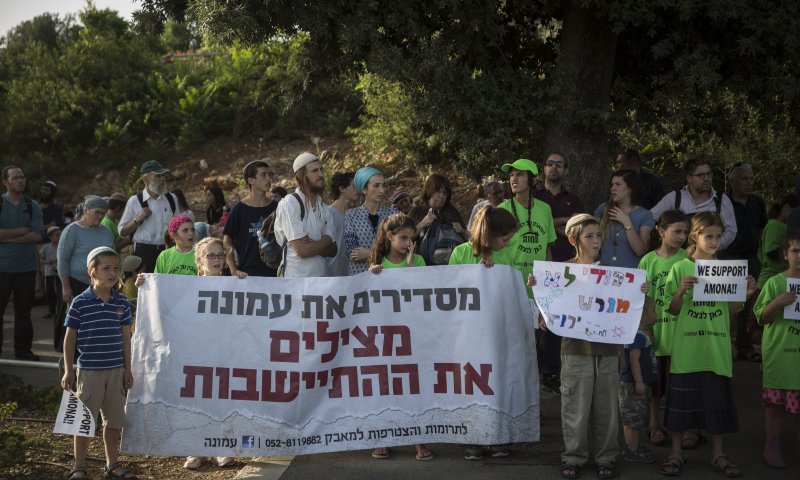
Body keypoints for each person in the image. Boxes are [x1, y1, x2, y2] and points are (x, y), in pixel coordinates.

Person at [527, 214, 644, 480]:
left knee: (606, 408)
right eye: (589, 236)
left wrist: (640, 291)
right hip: (575, 350)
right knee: (574, 407)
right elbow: (545, 317)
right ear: (573, 239)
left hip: (608, 351)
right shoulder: (561, 273)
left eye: (598, 236)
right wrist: (540, 292)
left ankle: (606, 457)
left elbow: (636, 310)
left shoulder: (615, 275)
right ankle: (574, 456)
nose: (595, 241)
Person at [660, 212, 755, 477]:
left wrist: (744, 295)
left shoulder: (726, 270)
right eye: (708, 236)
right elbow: (673, 309)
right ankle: (676, 453)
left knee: (716, 403)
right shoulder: (681, 267)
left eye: (718, 236)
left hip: (716, 350)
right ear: (695, 236)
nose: (714, 241)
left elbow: (733, 311)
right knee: (681, 403)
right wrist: (680, 291)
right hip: (687, 351)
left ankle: (718, 454)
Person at [60, 246, 137, 480]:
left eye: (116, 269)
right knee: (83, 421)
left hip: (116, 372)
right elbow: (70, 337)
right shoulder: (80, 302)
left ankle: (112, 464)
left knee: (114, 422)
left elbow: (126, 337)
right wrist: (68, 370)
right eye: (106, 268)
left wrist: (128, 368)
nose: (112, 273)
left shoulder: (122, 302)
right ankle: (79, 466)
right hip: (89, 371)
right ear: (91, 271)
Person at [448, 205, 517, 461]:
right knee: (470, 385)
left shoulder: (506, 255)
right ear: (488, 235)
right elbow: (451, 292)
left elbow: (511, 290)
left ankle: (498, 435)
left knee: (497, 383)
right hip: (467, 335)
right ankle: (472, 437)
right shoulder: (460, 253)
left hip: (497, 333)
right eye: (505, 238)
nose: (508, 243)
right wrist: (477, 275)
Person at [366, 213, 432, 461]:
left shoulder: (420, 261)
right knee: (386, 388)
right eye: (403, 238)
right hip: (386, 337)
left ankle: (418, 440)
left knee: (413, 388)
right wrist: (372, 275)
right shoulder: (377, 263)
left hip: (413, 334)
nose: (408, 243)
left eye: (411, 239)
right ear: (390, 236)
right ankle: (383, 438)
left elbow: (426, 296)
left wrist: (412, 267)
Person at [533, 152, 586, 394]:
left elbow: (576, 229)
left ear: (566, 171)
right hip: (536, 265)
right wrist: (561, 223)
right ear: (543, 169)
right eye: (550, 163)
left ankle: (551, 373)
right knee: (535, 321)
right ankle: (533, 372)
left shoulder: (573, 199)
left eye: (559, 165)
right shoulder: (533, 197)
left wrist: (551, 222)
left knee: (556, 321)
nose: (554, 168)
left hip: (566, 265)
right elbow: (562, 226)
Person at [636, 210, 689, 448]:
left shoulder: (688, 259)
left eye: (685, 232)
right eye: (677, 231)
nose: (682, 236)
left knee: (681, 385)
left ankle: (685, 426)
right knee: (656, 386)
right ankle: (654, 423)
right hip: (657, 333)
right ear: (661, 231)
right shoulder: (648, 261)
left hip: (682, 333)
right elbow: (639, 297)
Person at [753, 230, 800, 469]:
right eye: (795, 250)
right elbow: (761, 318)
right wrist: (777, 302)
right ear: (785, 254)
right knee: (776, 406)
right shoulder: (775, 282)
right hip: (780, 354)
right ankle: (771, 444)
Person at [720, 163, 768, 361]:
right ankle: (722, 344)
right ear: (732, 182)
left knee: (749, 302)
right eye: (744, 178)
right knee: (724, 302)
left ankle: (744, 346)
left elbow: (761, 229)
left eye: (751, 178)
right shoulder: (722, 201)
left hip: (750, 257)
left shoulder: (757, 202)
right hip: (728, 257)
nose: (750, 182)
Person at [56, 195, 115, 351]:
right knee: (75, 321)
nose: (100, 216)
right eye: (97, 212)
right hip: (76, 282)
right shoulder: (72, 231)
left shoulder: (106, 231)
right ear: (86, 211)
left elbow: (112, 255)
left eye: (103, 213)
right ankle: (71, 355)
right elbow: (62, 260)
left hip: (102, 284)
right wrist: (65, 286)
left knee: (99, 320)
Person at [0, 165, 44, 360]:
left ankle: (23, 350)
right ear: (5, 182)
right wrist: (21, 231)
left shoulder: (31, 205)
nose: (20, 181)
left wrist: (6, 238)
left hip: (26, 268)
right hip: (2, 267)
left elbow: (37, 235)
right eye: (15, 178)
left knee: (24, 312)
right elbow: (27, 232)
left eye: (22, 177)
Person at [650, 157, 737, 249]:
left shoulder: (721, 200)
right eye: (701, 175)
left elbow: (731, 231)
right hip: (677, 259)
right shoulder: (675, 198)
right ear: (689, 178)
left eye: (708, 174)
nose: (707, 178)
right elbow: (649, 218)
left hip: (708, 260)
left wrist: (711, 247)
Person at [498, 158, 556, 297]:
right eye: (511, 175)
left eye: (520, 174)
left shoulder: (545, 209)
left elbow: (547, 247)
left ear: (533, 180)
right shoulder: (502, 210)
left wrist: (549, 280)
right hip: (510, 287)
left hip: (539, 287)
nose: (514, 179)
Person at [274, 152, 337, 277]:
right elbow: (303, 250)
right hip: (296, 282)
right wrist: (326, 240)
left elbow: (333, 250)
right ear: (302, 176)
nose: (320, 174)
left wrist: (313, 244)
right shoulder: (289, 204)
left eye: (321, 170)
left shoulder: (324, 207)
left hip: (322, 281)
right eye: (314, 171)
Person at [119, 160, 178, 273]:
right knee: (145, 288)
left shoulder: (172, 199)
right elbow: (122, 232)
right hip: (143, 252)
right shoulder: (134, 201)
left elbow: (178, 226)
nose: (162, 179)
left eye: (163, 175)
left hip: (167, 250)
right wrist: (137, 219)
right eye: (158, 176)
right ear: (145, 179)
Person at [223, 160, 278, 278]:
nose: (269, 179)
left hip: (276, 274)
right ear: (251, 180)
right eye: (263, 175)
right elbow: (227, 241)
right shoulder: (238, 209)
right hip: (248, 275)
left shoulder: (277, 207)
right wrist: (233, 270)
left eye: (270, 175)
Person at [618, 311, 657, 464]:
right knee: (633, 419)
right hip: (633, 385)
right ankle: (631, 449)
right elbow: (634, 360)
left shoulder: (629, 334)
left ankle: (630, 446)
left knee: (630, 418)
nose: (656, 314)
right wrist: (639, 382)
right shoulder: (637, 335)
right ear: (642, 317)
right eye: (654, 311)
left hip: (629, 384)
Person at [595, 170, 655, 268]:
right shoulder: (603, 209)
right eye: (612, 185)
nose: (613, 188)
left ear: (630, 188)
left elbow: (640, 250)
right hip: (603, 274)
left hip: (630, 276)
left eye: (618, 184)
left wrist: (627, 222)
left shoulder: (645, 215)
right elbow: (590, 240)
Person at [344, 167, 398, 275]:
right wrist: (384, 252)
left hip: (388, 276)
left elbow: (399, 248)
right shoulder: (351, 215)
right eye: (376, 185)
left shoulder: (393, 214)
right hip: (360, 278)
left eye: (383, 185)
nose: (382, 190)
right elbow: (352, 252)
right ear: (364, 189)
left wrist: (369, 253)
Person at [408, 174, 467, 265]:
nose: (441, 196)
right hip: (423, 266)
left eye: (444, 192)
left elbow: (469, 239)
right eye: (437, 191)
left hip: (452, 265)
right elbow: (405, 238)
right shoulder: (416, 212)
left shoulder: (452, 212)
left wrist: (462, 230)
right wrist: (423, 224)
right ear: (429, 191)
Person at [757, 194, 800, 290]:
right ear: (786, 207)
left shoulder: (783, 226)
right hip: (769, 279)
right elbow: (770, 251)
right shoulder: (774, 225)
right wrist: (790, 252)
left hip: (783, 280)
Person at [327, 171, 358, 276]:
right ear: (342, 188)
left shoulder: (354, 216)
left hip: (350, 275)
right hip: (331, 275)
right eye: (354, 186)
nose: (358, 190)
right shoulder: (328, 213)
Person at [39, 226, 61, 319]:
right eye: (57, 235)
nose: (59, 237)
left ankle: (59, 311)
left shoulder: (61, 247)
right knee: (50, 292)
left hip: (59, 273)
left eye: (60, 234)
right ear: (50, 237)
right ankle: (51, 311)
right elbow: (40, 259)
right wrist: (48, 262)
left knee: (59, 292)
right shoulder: (46, 247)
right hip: (49, 273)